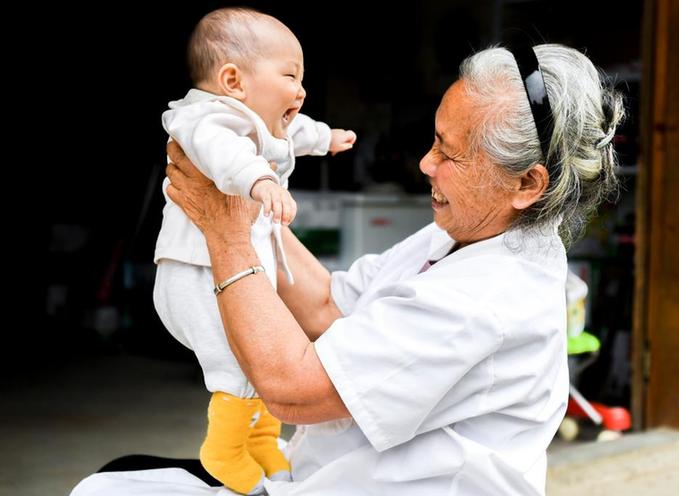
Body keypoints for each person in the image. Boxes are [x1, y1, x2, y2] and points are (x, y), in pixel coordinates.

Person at [72, 43, 623, 496]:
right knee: (125, 472)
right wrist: (241, 202)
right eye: (434, 139)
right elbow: (328, 305)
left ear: (527, 184)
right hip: (328, 472)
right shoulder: (468, 233)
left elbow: (292, 390)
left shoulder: (487, 297)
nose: (426, 163)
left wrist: (226, 231)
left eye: (449, 154)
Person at [152, 7, 356, 495]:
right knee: (235, 360)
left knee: (263, 350)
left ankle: (263, 439)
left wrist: (326, 138)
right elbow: (225, 154)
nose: (300, 89)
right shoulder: (208, 118)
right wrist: (261, 179)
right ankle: (222, 452)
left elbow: (295, 131)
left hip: (231, 270)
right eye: (290, 75)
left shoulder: (262, 122)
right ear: (233, 80)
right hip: (195, 274)